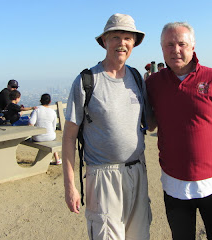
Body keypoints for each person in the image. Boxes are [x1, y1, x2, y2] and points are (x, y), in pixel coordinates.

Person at [146, 22, 212, 240]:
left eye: (181, 44)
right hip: (174, 185)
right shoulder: (153, 84)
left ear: (193, 46)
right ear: (161, 48)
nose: (175, 50)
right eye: (169, 44)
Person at [62, 13, 151, 240]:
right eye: (115, 37)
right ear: (104, 41)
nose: (122, 43)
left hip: (137, 171)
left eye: (128, 38)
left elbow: (150, 122)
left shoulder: (136, 77)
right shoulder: (86, 81)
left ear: (134, 43)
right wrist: (70, 186)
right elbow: (69, 136)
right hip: (102, 176)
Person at [28, 93, 62, 165]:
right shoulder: (52, 112)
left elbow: (31, 123)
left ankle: (51, 159)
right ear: (50, 101)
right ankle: (57, 158)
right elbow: (53, 127)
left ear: (40, 100)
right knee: (52, 139)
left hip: (38, 137)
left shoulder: (37, 110)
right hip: (51, 136)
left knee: (40, 139)